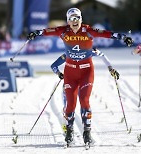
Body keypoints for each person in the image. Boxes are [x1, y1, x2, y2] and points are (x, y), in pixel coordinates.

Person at [27, 8, 133, 145]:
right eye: (71, 19)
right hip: (70, 72)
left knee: (84, 100)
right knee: (70, 105)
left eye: (77, 18)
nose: (74, 21)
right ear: (68, 21)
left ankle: (87, 132)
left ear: (81, 19)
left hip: (86, 71)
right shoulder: (64, 31)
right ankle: (69, 131)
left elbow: (107, 34)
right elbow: (48, 31)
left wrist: (123, 37)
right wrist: (36, 33)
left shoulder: (88, 30)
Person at [51, 48, 120, 135]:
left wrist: (111, 69)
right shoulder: (69, 53)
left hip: (83, 82)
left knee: (83, 103)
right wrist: (59, 74)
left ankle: (86, 130)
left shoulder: (88, 50)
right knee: (68, 106)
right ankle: (67, 128)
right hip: (70, 82)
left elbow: (102, 55)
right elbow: (53, 65)